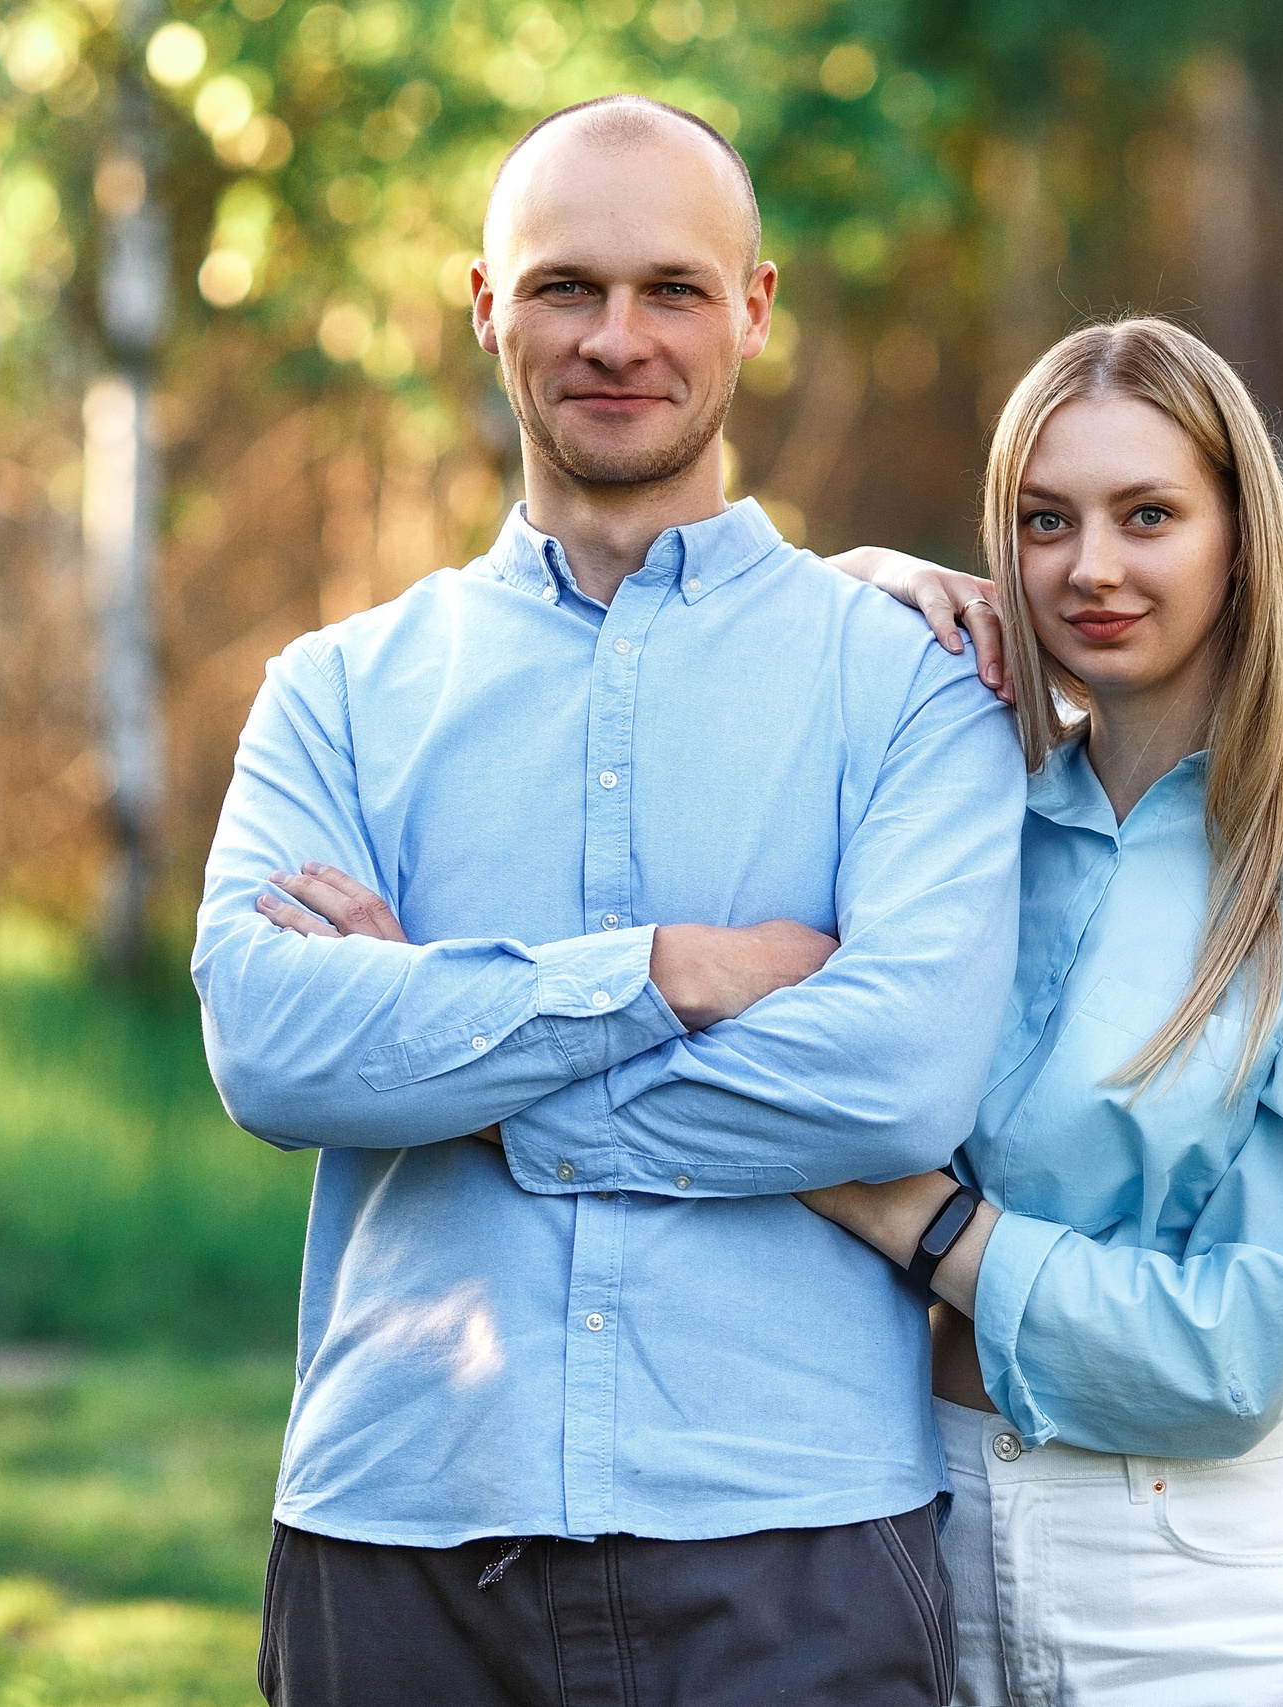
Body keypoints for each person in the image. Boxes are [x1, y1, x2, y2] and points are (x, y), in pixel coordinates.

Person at [191, 94, 1025, 1707]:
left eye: (674, 291)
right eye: (567, 287)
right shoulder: (341, 691)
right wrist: (673, 971)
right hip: (398, 1539)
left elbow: (901, 1074)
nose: (617, 340)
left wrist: (453, 1058)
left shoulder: (910, 682)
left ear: (756, 311)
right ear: (488, 307)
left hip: (799, 1540)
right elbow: (276, 1052)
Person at [800, 317, 1283, 1705]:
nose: (1092, 567)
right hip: (923, 1551)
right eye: (1044, 519)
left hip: (1221, 1591)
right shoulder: (961, 824)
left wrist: (922, 1222)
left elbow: (1237, 1352)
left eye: (1150, 515)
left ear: (1243, 536)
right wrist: (850, 595)